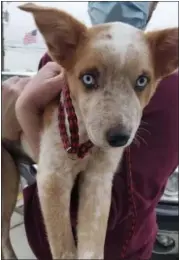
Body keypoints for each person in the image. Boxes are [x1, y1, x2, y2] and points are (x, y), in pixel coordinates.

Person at [2, 2, 178, 260]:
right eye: (90, 79)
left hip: (123, 250)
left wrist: (24, 112)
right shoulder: (55, 61)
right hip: (41, 239)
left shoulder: (172, 91)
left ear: (152, 6)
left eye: (140, 81)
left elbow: (113, 205)